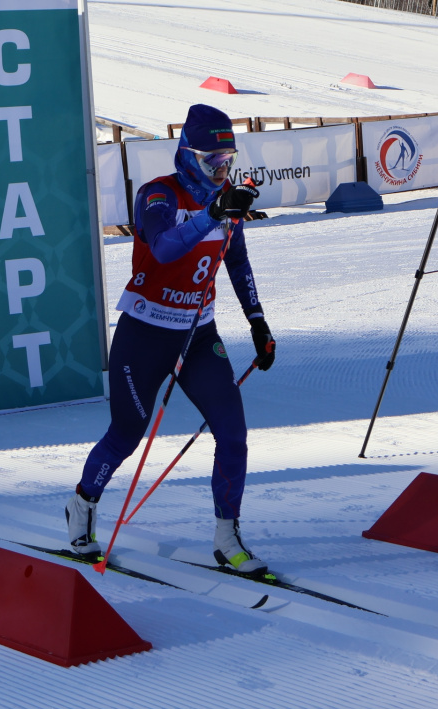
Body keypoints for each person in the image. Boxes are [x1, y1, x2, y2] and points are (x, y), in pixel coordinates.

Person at [64, 104, 276, 576]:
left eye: (228, 161)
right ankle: (82, 507)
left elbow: (235, 260)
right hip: (146, 331)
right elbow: (162, 249)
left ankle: (227, 537)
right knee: (127, 433)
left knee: (233, 431)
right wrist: (211, 215)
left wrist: (257, 321)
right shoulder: (158, 194)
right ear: (187, 156)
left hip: (199, 335)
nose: (222, 172)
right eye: (212, 163)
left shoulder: (226, 199)